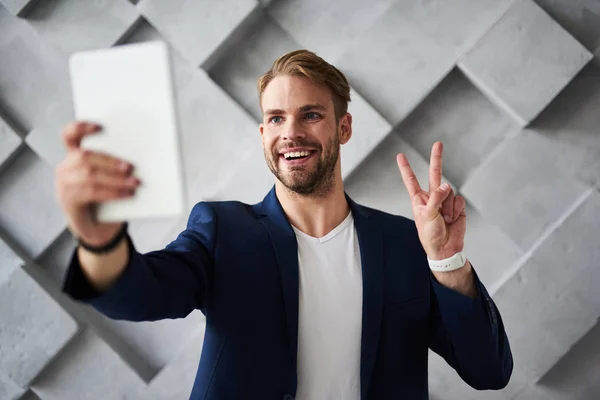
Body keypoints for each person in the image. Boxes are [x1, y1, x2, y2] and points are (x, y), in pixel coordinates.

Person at [56, 49, 513, 399]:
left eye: (310, 115)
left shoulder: (404, 243)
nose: (290, 132)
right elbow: (141, 296)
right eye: (276, 118)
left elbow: (489, 371)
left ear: (344, 127)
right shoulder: (223, 230)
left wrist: (447, 259)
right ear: (263, 134)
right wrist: (99, 239)